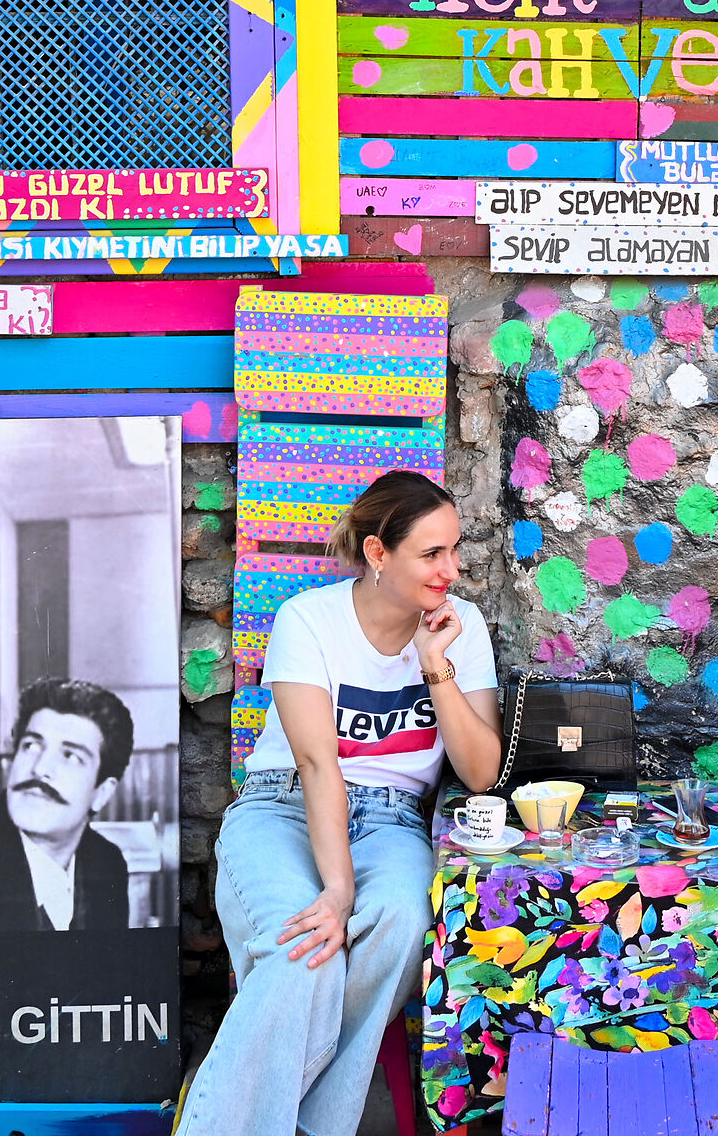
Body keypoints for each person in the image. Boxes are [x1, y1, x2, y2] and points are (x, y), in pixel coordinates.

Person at [176, 470, 502, 1136]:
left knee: (401, 918)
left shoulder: (460, 626)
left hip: (392, 820)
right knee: (303, 951)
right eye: (432, 553)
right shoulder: (309, 619)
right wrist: (338, 891)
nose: (452, 569)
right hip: (284, 807)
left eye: (455, 549)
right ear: (378, 553)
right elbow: (317, 763)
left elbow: (480, 771)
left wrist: (435, 665)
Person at [0, 678, 137, 932]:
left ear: (101, 793)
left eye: (71, 756)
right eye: (31, 746)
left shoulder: (107, 865)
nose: (40, 768)